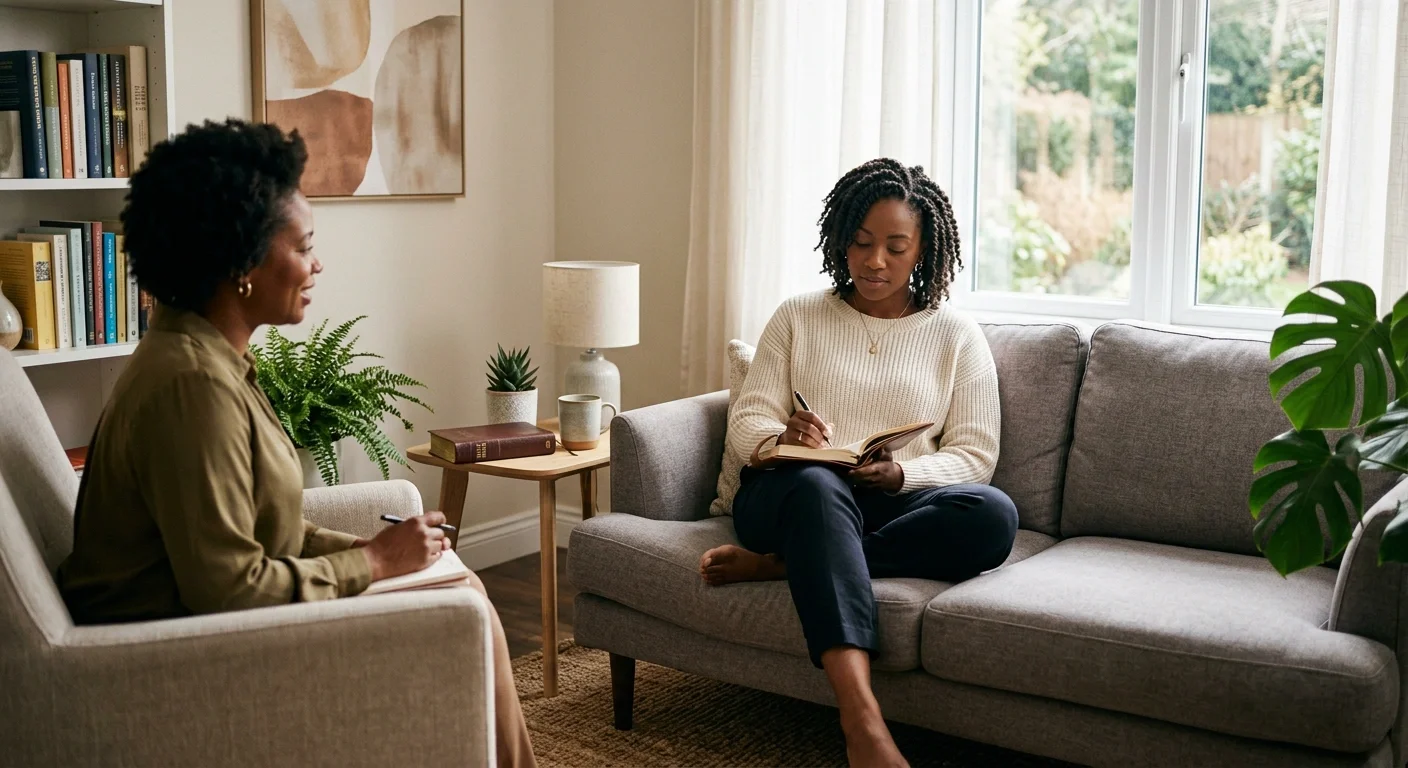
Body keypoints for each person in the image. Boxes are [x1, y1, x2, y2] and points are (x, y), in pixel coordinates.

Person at [54, 119, 536, 768]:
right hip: (171, 653)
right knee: (466, 607)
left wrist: (368, 548)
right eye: (304, 245)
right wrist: (375, 566)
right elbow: (225, 588)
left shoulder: (208, 356)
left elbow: (261, 526)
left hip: (201, 618)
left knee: (463, 591)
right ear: (241, 263)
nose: (317, 264)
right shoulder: (192, 386)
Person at [699, 158, 1018, 768]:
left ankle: (782, 567)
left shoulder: (956, 335)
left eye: (896, 248)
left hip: (890, 504)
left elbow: (976, 456)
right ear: (840, 238)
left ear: (923, 250)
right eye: (862, 243)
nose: (875, 262)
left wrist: (903, 474)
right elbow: (746, 425)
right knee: (818, 486)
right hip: (791, 495)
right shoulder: (797, 316)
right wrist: (782, 437)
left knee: (994, 515)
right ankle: (862, 723)